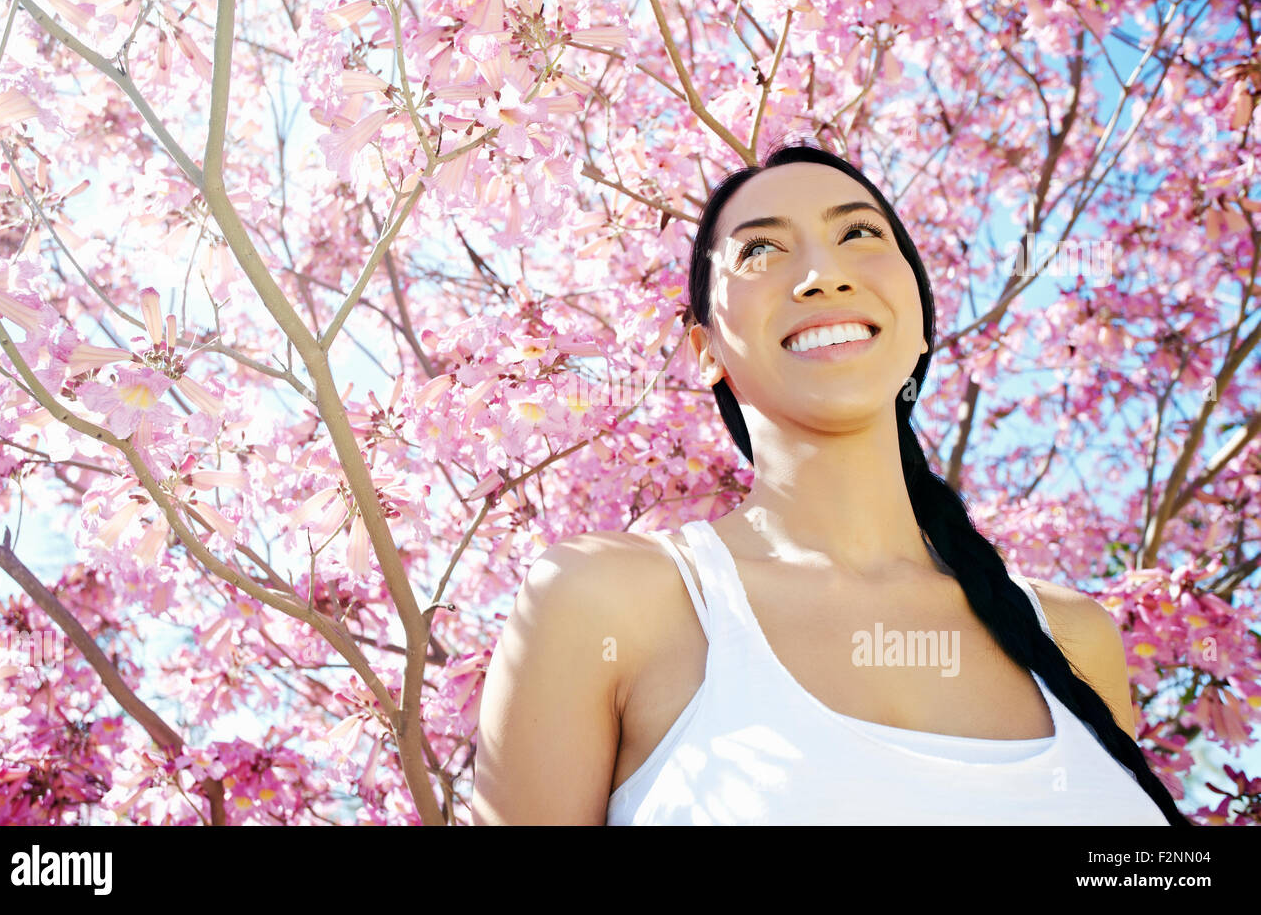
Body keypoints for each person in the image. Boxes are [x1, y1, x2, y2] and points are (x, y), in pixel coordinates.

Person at [469, 140, 1189, 826]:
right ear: (706, 349)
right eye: (760, 249)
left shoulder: (1073, 636)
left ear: (919, 319)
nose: (824, 275)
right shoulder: (606, 601)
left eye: (860, 235)